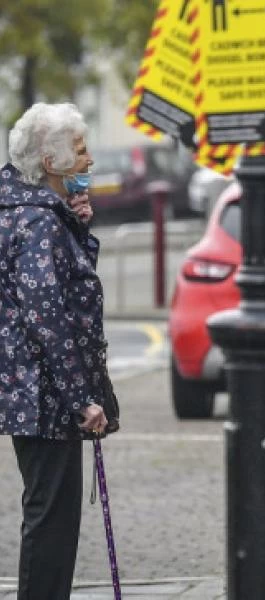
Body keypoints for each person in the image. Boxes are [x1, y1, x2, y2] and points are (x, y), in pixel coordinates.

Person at [1, 102, 116, 599]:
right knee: (51, 521)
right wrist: (82, 400)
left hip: (35, 390)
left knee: (49, 514)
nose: (89, 159)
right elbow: (48, 316)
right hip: (44, 394)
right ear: (51, 162)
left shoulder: (36, 214)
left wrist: (78, 228)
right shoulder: (38, 223)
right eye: (80, 149)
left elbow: (66, 289)